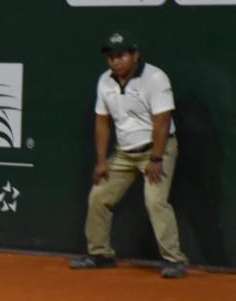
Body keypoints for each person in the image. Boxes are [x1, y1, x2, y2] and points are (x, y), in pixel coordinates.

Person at [69, 30, 188, 278]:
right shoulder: (105, 81)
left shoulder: (155, 78)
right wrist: (102, 160)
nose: (115, 61)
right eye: (111, 56)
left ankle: (174, 259)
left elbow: (163, 121)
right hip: (124, 153)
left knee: (155, 201)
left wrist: (156, 158)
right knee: (99, 196)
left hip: (158, 149)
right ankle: (100, 254)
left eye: (121, 55)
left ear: (135, 55)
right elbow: (102, 121)